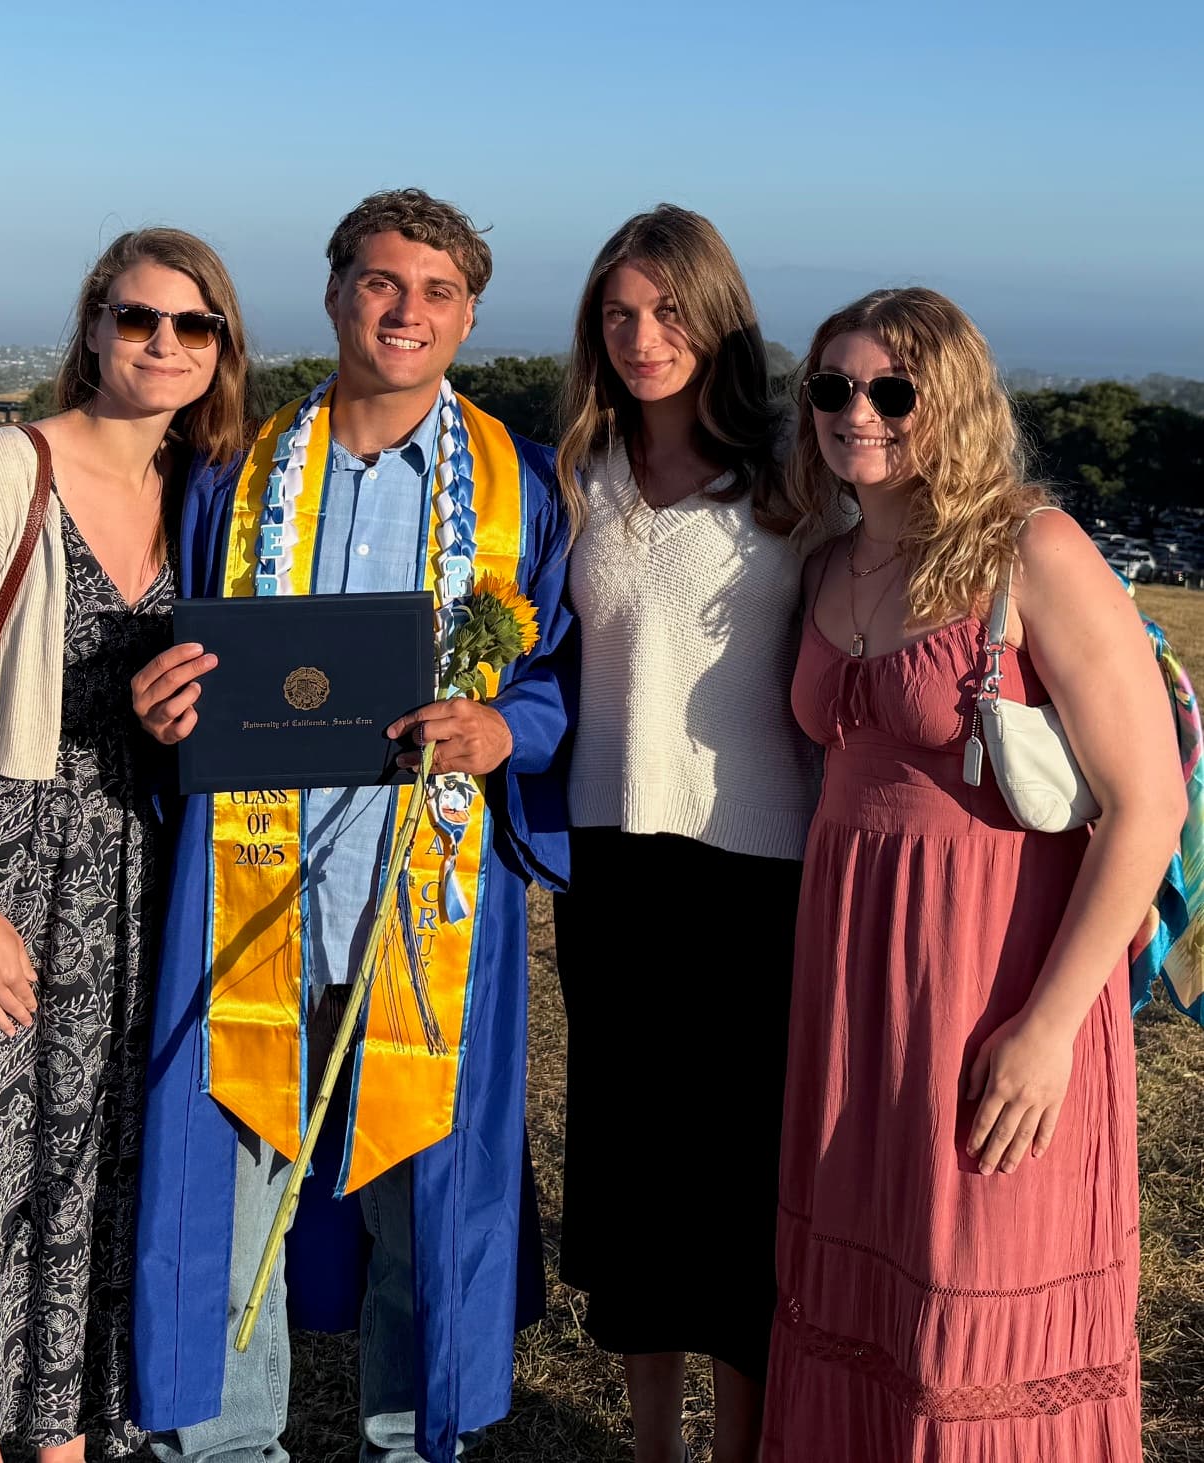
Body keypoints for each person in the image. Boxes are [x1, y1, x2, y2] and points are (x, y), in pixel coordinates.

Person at [126, 189, 574, 1463]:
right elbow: (182, 651)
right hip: (250, 889)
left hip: (426, 900)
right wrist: (163, 708)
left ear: (472, 314)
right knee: (227, 1194)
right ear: (334, 295)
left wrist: (508, 732)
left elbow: (561, 680)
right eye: (382, 283)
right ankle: (221, 1445)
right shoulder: (234, 474)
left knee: (422, 1204)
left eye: (437, 292)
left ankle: (405, 1441)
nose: (407, 311)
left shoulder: (522, 488)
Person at [762, 287, 1184, 1461]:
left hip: (998, 976)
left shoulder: (1033, 549)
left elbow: (1149, 806)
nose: (860, 413)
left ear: (952, 404)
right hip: (853, 980)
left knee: (978, 1299)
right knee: (868, 1294)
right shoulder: (830, 559)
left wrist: (1049, 1028)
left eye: (893, 391)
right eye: (834, 388)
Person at [0, 228, 249, 1463]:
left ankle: (74, 1431)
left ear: (221, 350)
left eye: (195, 328)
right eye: (140, 319)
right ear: (92, 326)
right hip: (6, 852)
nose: (166, 345)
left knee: (101, 1168)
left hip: (140, 869)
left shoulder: (201, 493)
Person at [550, 204, 818, 1463]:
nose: (643, 336)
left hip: (757, 869)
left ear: (720, 317)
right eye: (619, 312)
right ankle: (651, 1444)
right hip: (610, 864)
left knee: (734, 1185)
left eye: (668, 310)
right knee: (636, 1168)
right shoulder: (573, 475)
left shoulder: (794, 474)